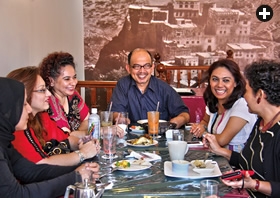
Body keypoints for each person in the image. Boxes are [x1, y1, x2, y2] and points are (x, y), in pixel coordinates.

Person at [0, 77, 99, 198]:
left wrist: (80, 171)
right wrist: (74, 177)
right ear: (6, 109)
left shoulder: (5, 142)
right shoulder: (13, 137)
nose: (29, 109)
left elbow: (31, 171)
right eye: (24, 104)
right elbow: (16, 194)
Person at [203, 60, 280, 197]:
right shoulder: (261, 123)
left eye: (246, 91)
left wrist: (254, 184)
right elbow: (246, 161)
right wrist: (220, 151)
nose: (243, 95)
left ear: (260, 95)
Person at [7, 67, 100, 165]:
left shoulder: (42, 117)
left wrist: (82, 143)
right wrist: (82, 154)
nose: (48, 93)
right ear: (25, 94)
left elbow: (66, 139)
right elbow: (41, 165)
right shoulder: (17, 127)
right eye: (42, 90)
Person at [109, 48, 190, 128]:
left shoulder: (163, 88)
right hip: (130, 138)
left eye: (147, 66)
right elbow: (115, 111)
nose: (142, 71)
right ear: (128, 68)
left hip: (158, 137)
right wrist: (120, 119)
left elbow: (184, 114)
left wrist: (178, 121)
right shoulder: (123, 85)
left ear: (152, 68)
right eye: (137, 66)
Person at [190, 59, 256, 152]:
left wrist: (203, 133)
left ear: (236, 83)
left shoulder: (242, 104)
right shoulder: (213, 101)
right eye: (215, 79)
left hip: (236, 163)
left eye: (226, 80)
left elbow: (222, 140)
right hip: (216, 157)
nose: (220, 85)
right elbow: (205, 120)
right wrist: (200, 127)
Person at [39, 52, 89, 138]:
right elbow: (62, 136)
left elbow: (87, 120)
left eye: (74, 77)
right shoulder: (46, 103)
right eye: (67, 79)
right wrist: (84, 133)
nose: (73, 82)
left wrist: (75, 133)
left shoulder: (73, 96)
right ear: (51, 81)